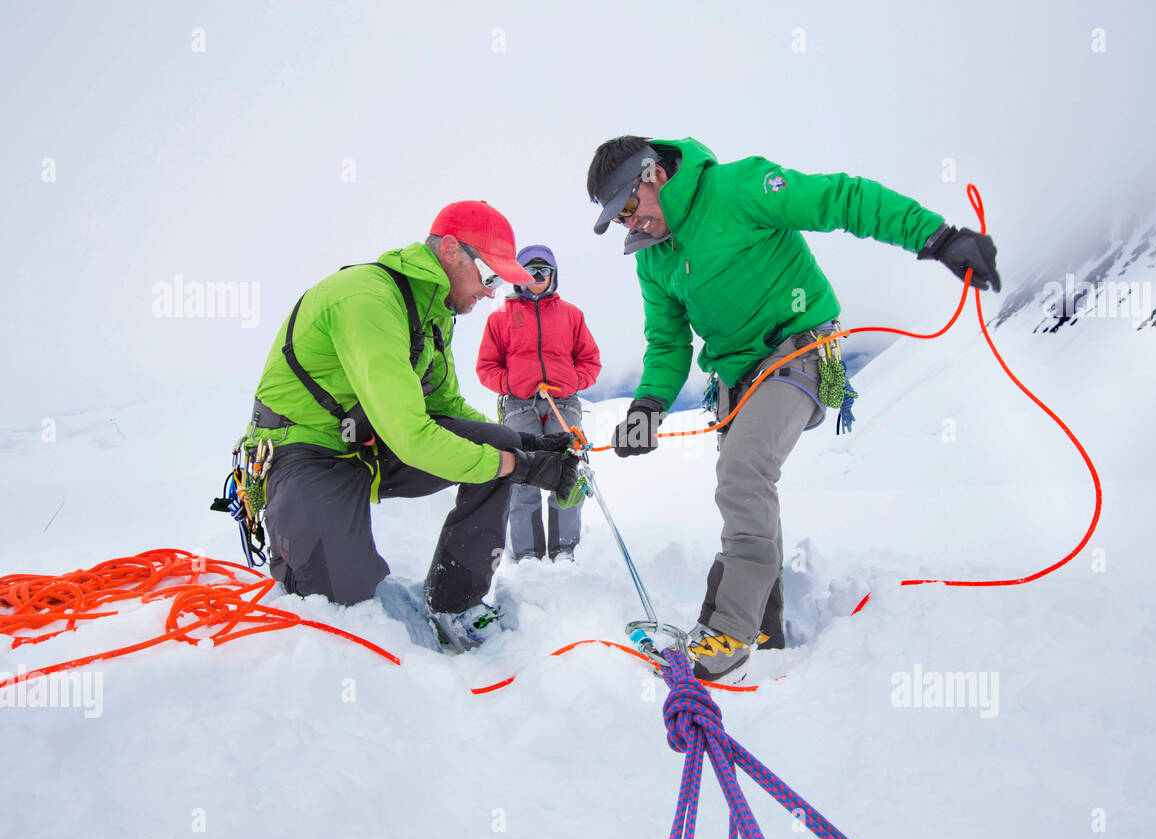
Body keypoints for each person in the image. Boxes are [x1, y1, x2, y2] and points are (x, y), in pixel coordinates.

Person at [587, 136, 1000, 683]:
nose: (629, 225)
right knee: (746, 492)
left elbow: (841, 199)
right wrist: (648, 407)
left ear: (652, 176)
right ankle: (764, 629)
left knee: (743, 475)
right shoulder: (653, 261)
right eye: (616, 220)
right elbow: (667, 344)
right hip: (735, 378)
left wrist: (938, 236)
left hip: (800, 349)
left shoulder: (739, 188)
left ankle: (731, 632)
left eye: (628, 209)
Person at [245, 200, 579, 650]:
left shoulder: (435, 314)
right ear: (450, 251)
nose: (490, 293)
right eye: (489, 277)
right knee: (343, 606)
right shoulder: (369, 300)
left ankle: (453, 600)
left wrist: (529, 444)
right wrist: (519, 466)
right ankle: (303, 546)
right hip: (306, 451)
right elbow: (413, 436)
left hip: (368, 446)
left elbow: (449, 407)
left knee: (497, 443)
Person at [476, 244, 602, 562]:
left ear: (553, 275)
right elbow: (486, 368)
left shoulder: (571, 315)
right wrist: (512, 384)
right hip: (520, 405)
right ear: (517, 275)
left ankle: (564, 549)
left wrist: (572, 382)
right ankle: (528, 553)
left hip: (563, 403)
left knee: (570, 470)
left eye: (543, 272)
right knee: (521, 473)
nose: (537, 278)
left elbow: (590, 362)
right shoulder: (501, 317)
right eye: (529, 272)